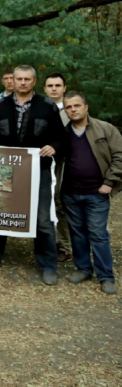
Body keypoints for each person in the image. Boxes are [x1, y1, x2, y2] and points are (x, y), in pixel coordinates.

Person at [0, 65, 67, 285]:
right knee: (1, 213)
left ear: (34, 81)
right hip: (6, 171)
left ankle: (47, 265)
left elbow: (61, 138)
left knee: (42, 219)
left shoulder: (47, 106)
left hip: (39, 171)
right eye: (18, 79)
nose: (22, 82)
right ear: (13, 80)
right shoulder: (1, 105)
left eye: (26, 79)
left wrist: (54, 147)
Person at [57, 92, 121, 294]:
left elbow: (120, 156)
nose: (73, 110)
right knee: (77, 233)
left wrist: (109, 182)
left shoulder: (105, 129)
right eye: (68, 107)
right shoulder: (63, 134)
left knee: (98, 234)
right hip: (70, 192)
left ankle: (106, 276)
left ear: (86, 107)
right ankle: (83, 268)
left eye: (77, 105)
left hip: (97, 192)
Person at [44, 72, 72, 262]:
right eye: (50, 85)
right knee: (47, 202)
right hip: (46, 162)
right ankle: (49, 242)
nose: (54, 88)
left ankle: (66, 246)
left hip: (67, 163)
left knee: (62, 202)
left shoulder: (71, 109)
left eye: (57, 85)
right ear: (45, 88)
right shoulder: (43, 108)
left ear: (64, 88)